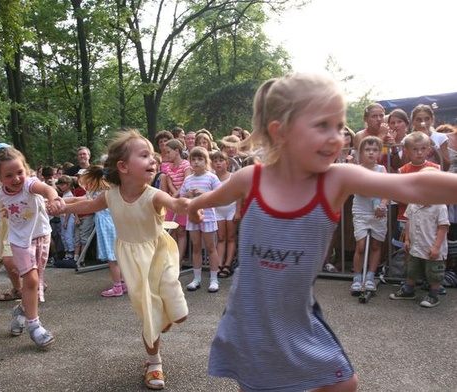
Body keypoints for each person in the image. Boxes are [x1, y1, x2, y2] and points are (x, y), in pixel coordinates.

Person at [186, 73, 457, 392]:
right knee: (259, 383)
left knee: (344, 383)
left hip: (296, 315)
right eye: (322, 125)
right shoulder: (250, 178)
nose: (336, 137)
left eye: (340, 127)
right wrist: (193, 206)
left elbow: (412, 184)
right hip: (250, 315)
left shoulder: (334, 180)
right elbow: (215, 197)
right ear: (281, 131)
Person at [49, 130, 189, 390]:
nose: (153, 160)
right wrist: (64, 207)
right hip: (132, 259)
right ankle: (154, 362)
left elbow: (175, 202)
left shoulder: (153, 194)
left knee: (176, 309)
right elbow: (87, 206)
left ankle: (170, 312)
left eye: (153, 155)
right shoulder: (111, 196)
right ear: (123, 167)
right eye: (144, 155)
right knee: (148, 311)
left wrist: (187, 206)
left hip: (158, 252)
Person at [0, 143, 64, 348]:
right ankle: (34, 327)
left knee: (35, 282)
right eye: (8, 176)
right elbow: (8, 212)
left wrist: (53, 198)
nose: (16, 179)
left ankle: (22, 310)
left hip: (42, 237)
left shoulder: (29, 184)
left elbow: (46, 188)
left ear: (26, 170)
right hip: (20, 241)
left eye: (19, 172)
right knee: (30, 280)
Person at [390, 168, 449, 307]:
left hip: (432, 247)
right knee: (412, 268)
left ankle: (434, 294)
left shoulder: (439, 206)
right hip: (416, 245)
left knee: (434, 272)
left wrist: (436, 247)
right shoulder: (414, 202)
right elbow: (408, 220)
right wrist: (407, 239)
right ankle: (409, 289)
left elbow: (443, 227)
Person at [67, 166, 124, 297]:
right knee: (119, 256)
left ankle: (117, 286)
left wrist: (61, 205)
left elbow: (79, 202)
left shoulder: (97, 193)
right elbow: (76, 200)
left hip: (107, 225)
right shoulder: (109, 190)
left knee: (112, 257)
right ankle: (123, 282)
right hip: (115, 223)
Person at [350, 136, 388, 292]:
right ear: (361, 152)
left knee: (376, 244)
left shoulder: (381, 169)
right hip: (361, 210)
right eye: (367, 149)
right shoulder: (356, 170)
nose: (371, 153)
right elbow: (356, 189)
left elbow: (387, 190)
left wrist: (382, 206)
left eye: (375, 150)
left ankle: (371, 276)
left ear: (379, 153)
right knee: (360, 245)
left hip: (378, 211)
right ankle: (357, 277)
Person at [181, 147, 222, 293]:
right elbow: (181, 197)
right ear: (190, 161)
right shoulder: (188, 179)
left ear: (206, 161)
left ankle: (213, 279)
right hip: (192, 217)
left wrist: (204, 193)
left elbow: (220, 195)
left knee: (211, 248)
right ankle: (196, 278)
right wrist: (187, 194)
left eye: (200, 159)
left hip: (209, 217)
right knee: (196, 247)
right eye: (194, 159)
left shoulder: (212, 177)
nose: (196, 162)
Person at [162, 138, 192, 266]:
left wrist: (177, 194)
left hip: (183, 199)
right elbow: (170, 183)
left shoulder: (185, 165)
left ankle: (179, 260)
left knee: (181, 231)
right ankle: (172, 259)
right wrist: (174, 195)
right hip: (173, 200)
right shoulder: (168, 168)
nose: (166, 155)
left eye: (168, 152)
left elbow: (187, 182)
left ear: (177, 151)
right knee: (171, 231)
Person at [210, 150, 239, 278]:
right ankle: (219, 263)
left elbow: (239, 195)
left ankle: (228, 264)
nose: (218, 164)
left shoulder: (233, 177)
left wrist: (238, 211)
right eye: (215, 161)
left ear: (227, 163)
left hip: (231, 209)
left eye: (221, 161)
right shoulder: (212, 177)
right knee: (221, 238)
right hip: (218, 211)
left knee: (231, 237)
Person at [409, 104, 450, 171]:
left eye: (427, 119)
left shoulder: (441, 137)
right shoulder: (407, 139)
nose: (423, 123)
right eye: (419, 120)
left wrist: (432, 143)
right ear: (413, 122)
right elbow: (403, 164)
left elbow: (446, 166)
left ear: (432, 120)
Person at [55, 175, 75, 263]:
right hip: (62, 217)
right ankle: (67, 252)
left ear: (68, 185)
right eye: (60, 185)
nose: (60, 186)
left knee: (68, 235)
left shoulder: (69, 195)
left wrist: (66, 221)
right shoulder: (63, 195)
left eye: (63, 185)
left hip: (69, 218)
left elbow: (69, 209)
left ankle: (71, 253)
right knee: (63, 236)